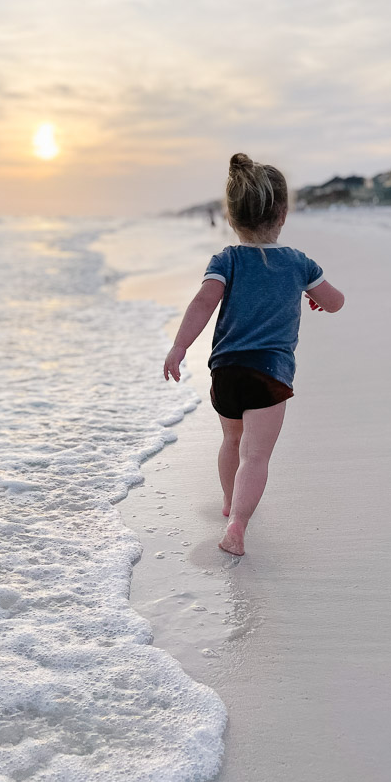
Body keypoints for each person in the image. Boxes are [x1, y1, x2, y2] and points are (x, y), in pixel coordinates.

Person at [163, 153, 345, 556]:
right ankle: (237, 525)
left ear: (231, 216)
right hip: (270, 374)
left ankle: (230, 502)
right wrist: (314, 296)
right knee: (256, 456)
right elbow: (335, 302)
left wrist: (179, 347)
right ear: (282, 214)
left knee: (232, 441)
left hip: (225, 373)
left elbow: (201, 304)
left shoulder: (226, 260)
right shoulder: (299, 262)